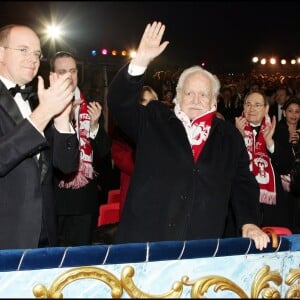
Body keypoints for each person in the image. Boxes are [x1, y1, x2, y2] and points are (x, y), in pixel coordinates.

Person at [107, 21, 270, 250]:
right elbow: (118, 103)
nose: (195, 100)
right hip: (144, 247)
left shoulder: (229, 137)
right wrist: (140, 61)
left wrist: (250, 222)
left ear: (214, 101)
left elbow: (243, 185)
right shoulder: (155, 119)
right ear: (177, 96)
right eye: (189, 93)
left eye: (203, 94)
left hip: (200, 251)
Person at [0, 24, 79, 249]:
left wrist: (62, 120)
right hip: (7, 235)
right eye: (23, 50)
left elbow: (65, 167)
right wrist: (43, 115)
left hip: (45, 234)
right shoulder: (42, 107)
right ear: (1, 53)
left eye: (37, 53)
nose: (33, 59)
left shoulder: (38, 98)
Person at [50, 51, 111, 246]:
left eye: (73, 71)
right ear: (53, 75)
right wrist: (63, 121)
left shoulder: (90, 105)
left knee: (80, 264)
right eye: (62, 72)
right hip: (54, 200)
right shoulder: (41, 104)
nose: (69, 76)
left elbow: (103, 153)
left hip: (85, 202)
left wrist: (94, 127)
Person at [235, 91, 291, 230]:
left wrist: (270, 142)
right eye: (248, 104)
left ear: (266, 108)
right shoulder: (233, 129)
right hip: (242, 198)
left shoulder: (279, 130)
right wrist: (238, 138)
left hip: (271, 204)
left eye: (257, 105)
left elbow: (287, 164)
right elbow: (227, 165)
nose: (251, 108)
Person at [111, 85, 158, 218]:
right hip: (134, 199)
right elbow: (126, 162)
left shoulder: (164, 130)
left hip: (159, 199)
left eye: (152, 102)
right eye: (144, 101)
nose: (148, 106)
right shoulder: (122, 132)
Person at [272, 97, 300, 232]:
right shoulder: (278, 130)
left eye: (297, 112)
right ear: (284, 113)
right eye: (290, 111)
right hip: (282, 182)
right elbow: (277, 157)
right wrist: (289, 143)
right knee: (286, 217)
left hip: (298, 181)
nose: (293, 115)